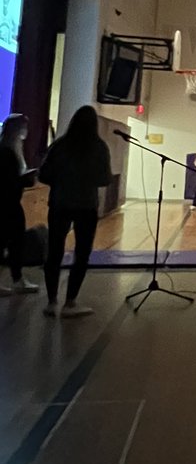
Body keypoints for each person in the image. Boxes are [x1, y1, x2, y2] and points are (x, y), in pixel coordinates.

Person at [38, 106, 111, 318]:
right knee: (81, 254)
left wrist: (63, 181)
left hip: (60, 203)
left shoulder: (60, 145)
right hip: (86, 205)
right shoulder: (98, 147)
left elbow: (44, 175)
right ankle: (70, 302)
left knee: (54, 251)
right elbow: (105, 179)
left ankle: (51, 302)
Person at [0, 114, 38, 296]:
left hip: (9, 202)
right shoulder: (7, 152)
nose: (26, 131)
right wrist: (25, 180)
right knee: (13, 241)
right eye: (23, 127)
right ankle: (17, 279)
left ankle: (17, 278)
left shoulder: (11, 149)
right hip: (7, 203)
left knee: (12, 241)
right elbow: (8, 181)